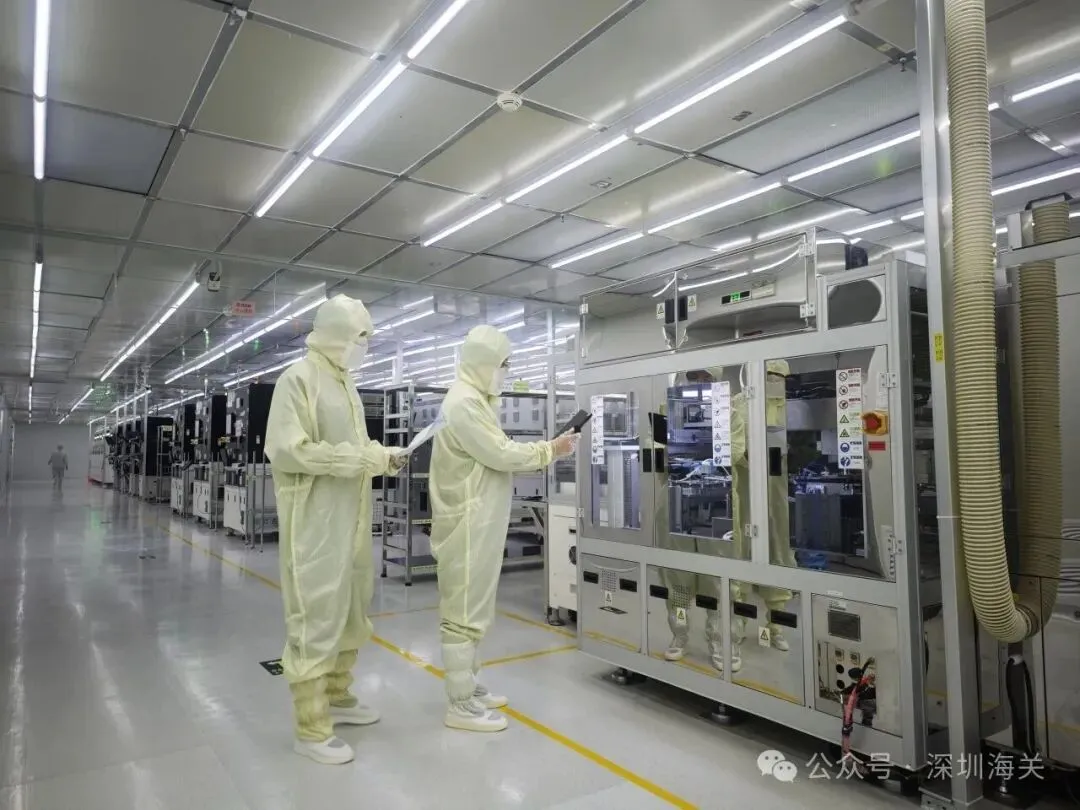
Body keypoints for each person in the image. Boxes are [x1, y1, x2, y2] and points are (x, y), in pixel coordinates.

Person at [265, 294, 407, 766]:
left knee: (351, 611)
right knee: (316, 616)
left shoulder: (346, 384)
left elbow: (355, 447)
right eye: (360, 337)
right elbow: (288, 449)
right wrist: (362, 458)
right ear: (336, 334)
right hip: (316, 523)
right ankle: (310, 727)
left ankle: (339, 697)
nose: (364, 346)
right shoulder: (298, 379)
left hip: (353, 520)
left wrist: (382, 457)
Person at [429, 325, 577, 732]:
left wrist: (548, 450)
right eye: (502, 364)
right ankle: (459, 705)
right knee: (462, 613)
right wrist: (551, 449)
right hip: (467, 523)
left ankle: (470, 686)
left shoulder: (476, 400)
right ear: (482, 362)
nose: (506, 371)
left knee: (474, 609)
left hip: (479, 520)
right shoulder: (463, 402)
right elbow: (499, 453)